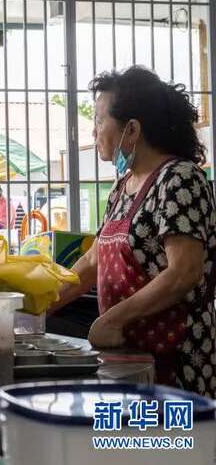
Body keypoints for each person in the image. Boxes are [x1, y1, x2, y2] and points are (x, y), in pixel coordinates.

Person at [52, 65, 216, 396]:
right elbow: (92, 261)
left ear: (132, 129)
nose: (93, 132)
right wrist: (35, 305)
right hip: (127, 357)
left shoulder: (179, 179)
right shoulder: (123, 187)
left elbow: (185, 271)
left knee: (170, 429)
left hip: (178, 359)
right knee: (125, 429)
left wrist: (114, 319)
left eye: (99, 121)